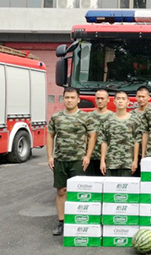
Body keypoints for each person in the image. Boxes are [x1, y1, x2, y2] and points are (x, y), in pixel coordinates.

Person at [47, 87, 96, 236]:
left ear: (78, 100)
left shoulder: (85, 117)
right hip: (61, 159)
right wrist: (50, 156)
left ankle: (78, 221)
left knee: (78, 192)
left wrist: (87, 156)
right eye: (67, 97)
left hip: (78, 160)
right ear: (63, 99)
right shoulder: (56, 117)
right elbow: (50, 136)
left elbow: (92, 136)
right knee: (61, 191)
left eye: (72, 97)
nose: (69, 100)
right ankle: (61, 222)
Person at [100, 91, 142, 176]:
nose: (120, 101)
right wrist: (102, 161)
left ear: (128, 102)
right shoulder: (107, 120)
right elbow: (104, 141)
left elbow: (136, 141)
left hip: (127, 163)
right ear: (114, 101)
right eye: (118, 99)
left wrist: (135, 160)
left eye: (123, 99)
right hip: (111, 163)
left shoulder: (134, 120)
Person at [87, 89, 113, 176]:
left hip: (108, 157)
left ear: (108, 99)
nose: (100, 101)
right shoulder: (88, 117)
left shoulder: (113, 117)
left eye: (102, 98)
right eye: (98, 98)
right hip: (91, 157)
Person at [129, 86, 150, 176]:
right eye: (139, 97)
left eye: (143, 97)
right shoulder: (130, 115)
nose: (141, 99)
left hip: (150, 152)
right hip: (132, 153)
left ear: (149, 98)